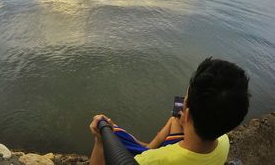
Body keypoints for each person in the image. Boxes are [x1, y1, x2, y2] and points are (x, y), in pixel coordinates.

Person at [89, 58, 250, 165]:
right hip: (192, 150)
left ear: (186, 114)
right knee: (173, 120)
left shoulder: (151, 161)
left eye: (186, 99)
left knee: (113, 132)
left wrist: (100, 140)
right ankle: (149, 145)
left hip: (163, 154)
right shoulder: (224, 142)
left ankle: (146, 145)